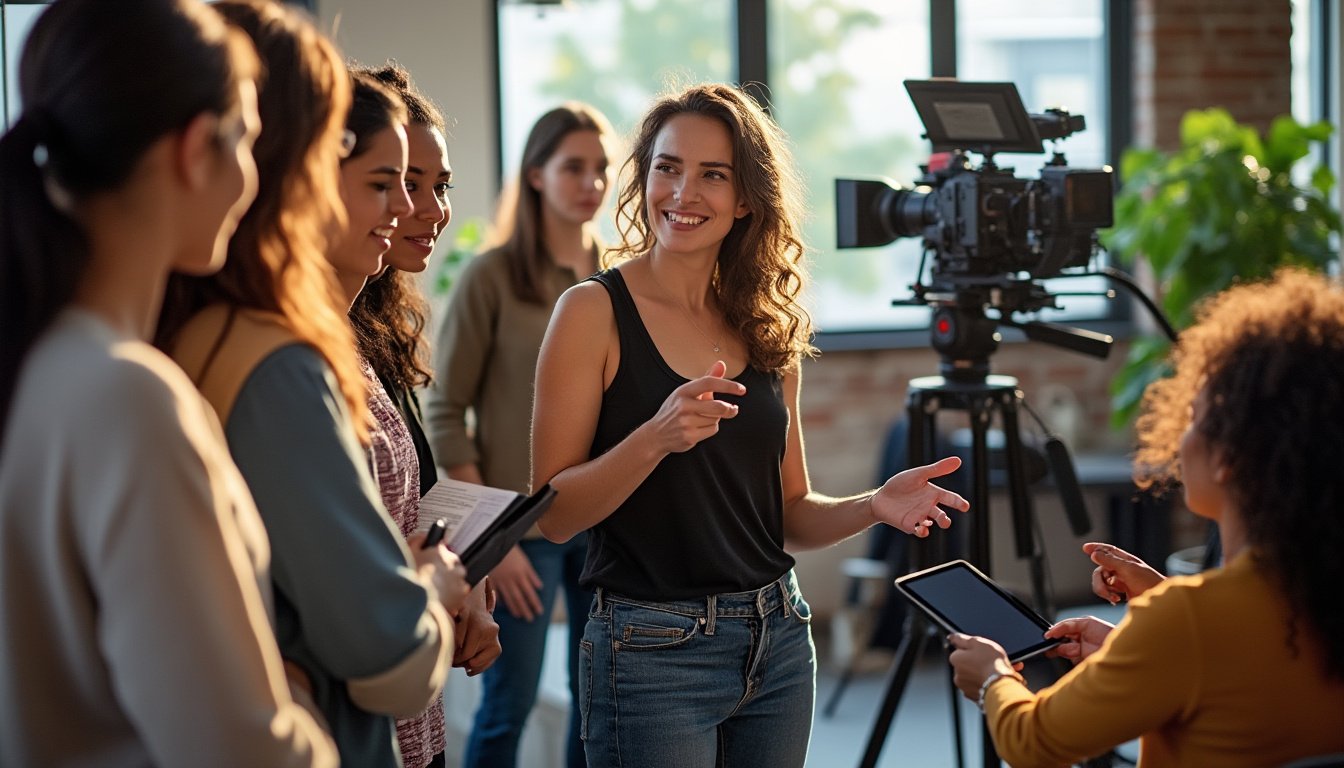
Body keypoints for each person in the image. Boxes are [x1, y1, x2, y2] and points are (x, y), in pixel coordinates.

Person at [529, 83, 969, 768]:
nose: (684, 192)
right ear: (643, 177)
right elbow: (551, 516)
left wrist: (873, 505)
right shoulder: (591, 312)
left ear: (745, 202)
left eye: (714, 174)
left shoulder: (766, 327)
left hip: (780, 640)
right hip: (650, 653)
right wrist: (656, 436)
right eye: (668, 167)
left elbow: (790, 512)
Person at [0, 0, 336, 765]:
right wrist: (300, 710)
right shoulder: (128, 401)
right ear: (195, 151)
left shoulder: (43, 370)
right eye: (248, 139)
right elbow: (239, 751)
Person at [155, 3, 469, 766]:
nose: (406, 210)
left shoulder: (249, 336)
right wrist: (428, 584)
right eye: (384, 182)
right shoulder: (274, 362)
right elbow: (384, 652)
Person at [948, 268, 1344, 767]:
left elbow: (1032, 743)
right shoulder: (1314, 593)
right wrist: (1142, 638)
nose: (1181, 437)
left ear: (1229, 459)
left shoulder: (1188, 621)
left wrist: (992, 679)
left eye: (1195, 418)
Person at [425, 101, 613, 768]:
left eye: (601, 169)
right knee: (510, 707)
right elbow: (446, 411)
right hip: (519, 541)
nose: (591, 183)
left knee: (598, 710)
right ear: (535, 175)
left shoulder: (617, 281)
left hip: (599, 532)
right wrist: (492, 537)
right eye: (573, 168)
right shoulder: (491, 276)